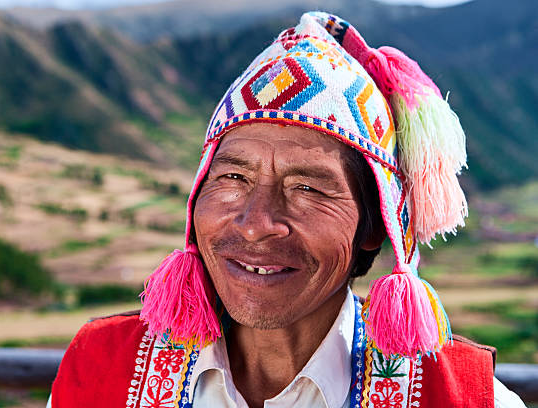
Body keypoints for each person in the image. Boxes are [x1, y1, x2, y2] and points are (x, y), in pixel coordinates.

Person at [49, 12, 527, 408]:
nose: (257, 224)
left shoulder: (465, 398)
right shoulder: (101, 371)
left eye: (308, 189)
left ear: (374, 226)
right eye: (233, 179)